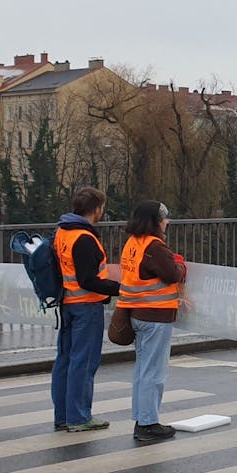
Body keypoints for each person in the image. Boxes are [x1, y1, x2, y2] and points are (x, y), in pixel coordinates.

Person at [52, 187, 120, 432]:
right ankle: (79, 417)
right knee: (83, 362)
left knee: (65, 361)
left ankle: (62, 415)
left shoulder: (62, 232)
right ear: (97, 208)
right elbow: (88, 279)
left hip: (67, 303)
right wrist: (120, 289)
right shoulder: (85, 238)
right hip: (87, 306)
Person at [118, 201, 186, 444]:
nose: (166, 223)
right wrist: (180, 266)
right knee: (154, 372)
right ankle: (148, 423)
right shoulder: (154, 246)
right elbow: (172, 274)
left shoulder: (132, 244)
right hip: (155, 315)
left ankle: (142, 418)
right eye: (164, 218)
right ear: (156, 221)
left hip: (136, 314)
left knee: (142, 371)